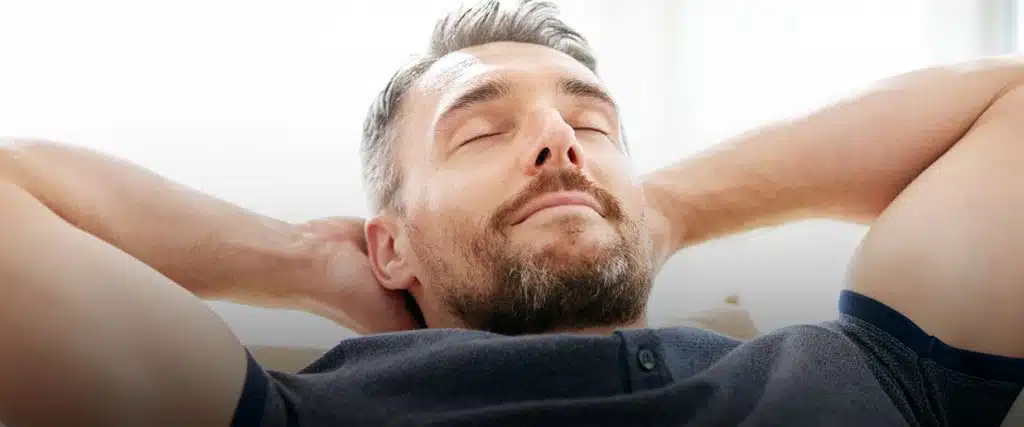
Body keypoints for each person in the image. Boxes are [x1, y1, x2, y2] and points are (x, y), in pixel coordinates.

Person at [1, 0, 1023, 425]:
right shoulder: (294, 413)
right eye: (480, 131)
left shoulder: (856, 376)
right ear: (389, 245)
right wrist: (311, 260)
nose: (559, 141)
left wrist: (665, 208)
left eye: (593, 124)